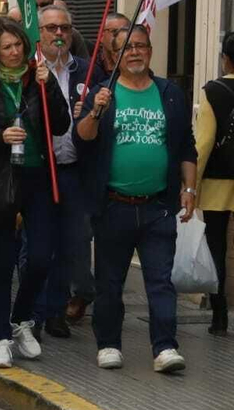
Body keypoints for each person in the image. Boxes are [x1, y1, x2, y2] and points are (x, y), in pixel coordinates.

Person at [76, 26, 196, 374]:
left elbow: (186, 144)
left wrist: (188, 189)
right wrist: (96, 112)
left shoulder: (170, 93)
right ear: (114, 56)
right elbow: (82, 138)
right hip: (114, 205)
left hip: (158, 205)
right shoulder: (104, 92)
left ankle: (165, 347)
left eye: (141, 46)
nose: (134, 53)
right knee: (110, 282)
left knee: (161, 280)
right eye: (126, 48)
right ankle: (109, 344)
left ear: (150, 51)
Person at [0, 17, 69, 371]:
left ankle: (23, 319)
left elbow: (62, 124)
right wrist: (0, 136)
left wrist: (49, 86)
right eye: (6, 47)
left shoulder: (37, 77)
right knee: (2, 260)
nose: (15, 52)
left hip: (38, 175)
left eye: (18, 44)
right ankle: (1, 337)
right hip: (2, 178)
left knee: (40, 258)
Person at [30, 4, 88, 339]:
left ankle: (55, 313)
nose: (59, 34)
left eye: (64, 28)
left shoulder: (84, 70)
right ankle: (32, 313)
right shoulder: (30, 69)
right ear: (39, 33)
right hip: (40, 169)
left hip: (73, 169)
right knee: (37, 248)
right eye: (52, 28)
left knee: (70, 244)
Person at [194, 32, 234, 336]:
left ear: (225, 59)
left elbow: (204, 142)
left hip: (218, 182)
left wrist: (190, 186)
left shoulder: (213, 90)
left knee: (217, 248)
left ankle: (219, 317)